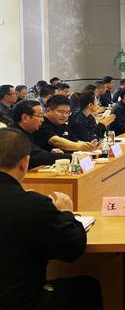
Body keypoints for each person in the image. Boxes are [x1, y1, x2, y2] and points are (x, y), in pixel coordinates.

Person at [0, 128, 102, 310]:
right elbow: (72, 249)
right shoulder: (31, 204)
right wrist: (66, 212)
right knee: (86, 287)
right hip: (21, 303)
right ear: (24, 162)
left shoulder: (30, 203)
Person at [12, 100, 70, 169]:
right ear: (25, 118)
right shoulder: (14, 135)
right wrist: (72, 157)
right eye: (40, 116)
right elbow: (39, 156)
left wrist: (52, 151)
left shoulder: (32, 131)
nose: (42, 120)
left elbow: (40, 151)